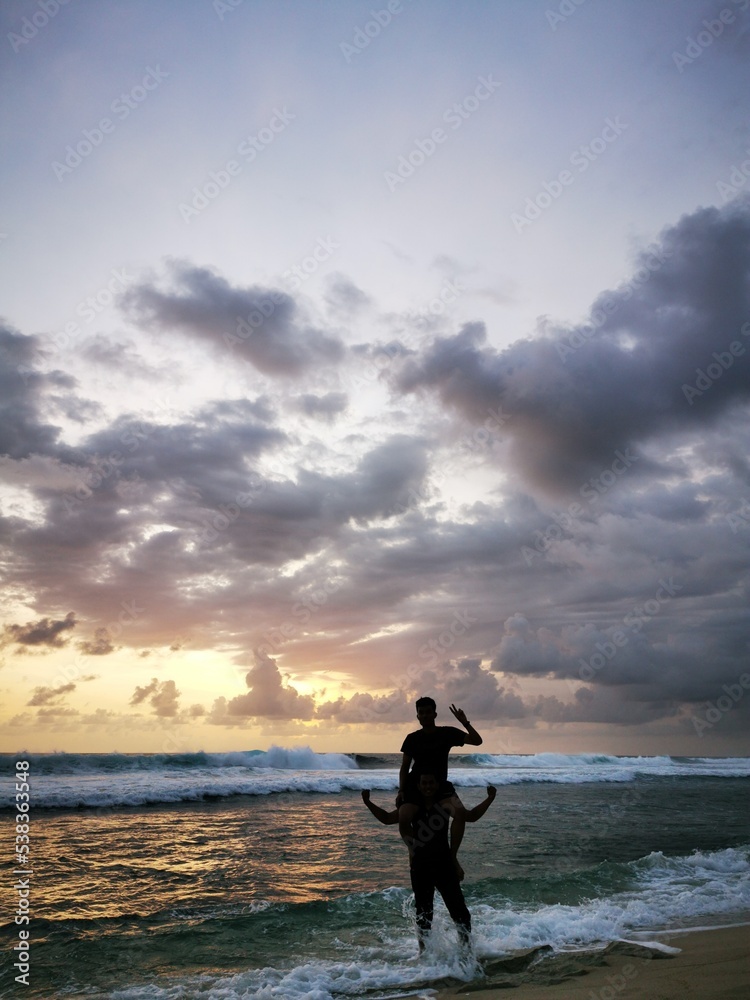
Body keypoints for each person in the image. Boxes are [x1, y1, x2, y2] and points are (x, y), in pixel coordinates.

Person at [364, 773, 487, 953]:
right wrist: (368, 803)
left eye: (431, 782)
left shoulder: (443, 807)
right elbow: (386, 818)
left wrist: (490, 798)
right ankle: (424, 954)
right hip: (420, 867)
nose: (428, 786)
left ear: (437, 785)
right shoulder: (414, 808)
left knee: (460, 912)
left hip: (444, 864)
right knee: (423, 914)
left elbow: (471, 816)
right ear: (419, 786)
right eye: (424, 783)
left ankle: (466, 949)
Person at [397, 698, 483, 877]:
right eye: (422, 713)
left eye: (428, 712)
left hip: (439, 785)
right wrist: (401, 790)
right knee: (403, 817)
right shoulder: (412, 738)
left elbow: (477, 741)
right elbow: (405, 767)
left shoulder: (447, 733)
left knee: (459, 813)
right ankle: (414, 851)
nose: (425, 715)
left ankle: (452, 857)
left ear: (435, 714)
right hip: (416, 785)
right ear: (418, 716)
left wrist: (465, 723)